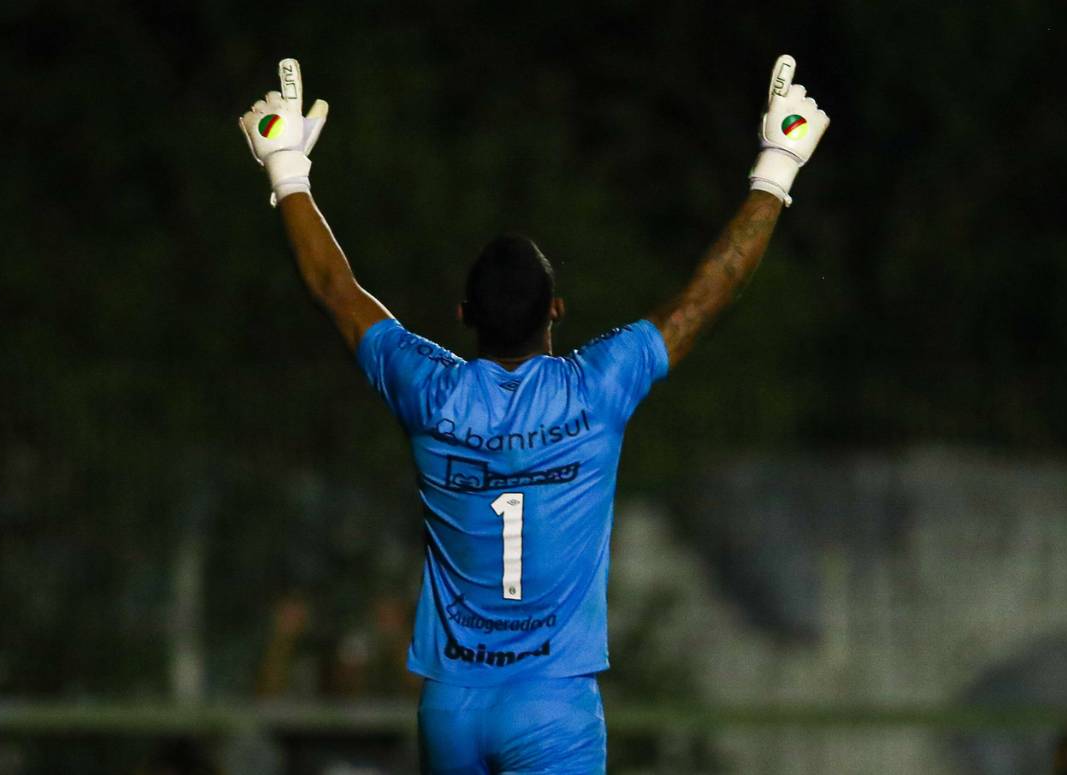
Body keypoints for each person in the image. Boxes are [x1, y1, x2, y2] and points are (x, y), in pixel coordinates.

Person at [239, 54, 828, 774]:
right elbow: (708, 293)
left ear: (463, 318)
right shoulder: (594, 391)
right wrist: (778, 164)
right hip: (552, 706)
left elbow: (335, 287)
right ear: (555, 311)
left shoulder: (432, 392)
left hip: (453, 702)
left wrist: (286, 170)